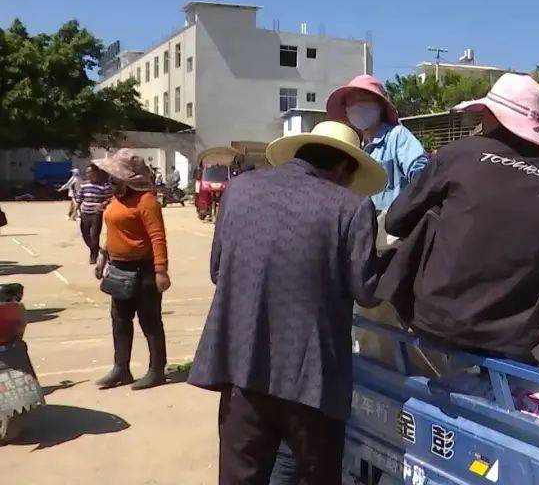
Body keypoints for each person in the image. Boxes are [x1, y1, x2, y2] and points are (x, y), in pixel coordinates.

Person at [187, 121, 387, 485]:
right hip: (313, 381)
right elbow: (367, 290)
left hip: (242, 368)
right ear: (344, 167)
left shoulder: (239, 190)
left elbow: (219, 270)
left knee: (239, 476)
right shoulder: (352, 207)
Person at [384, 73, 539, 359]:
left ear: (491, 115)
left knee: (434, 213)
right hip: (516, 336)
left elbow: (396, 221)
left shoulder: (459, 154)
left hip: (433, 318)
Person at [91, 149, 171, 390]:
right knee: (120, 319)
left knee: (150, 321)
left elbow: (158, 237)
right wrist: (102, 257)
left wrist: (161, 271)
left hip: (144, 270)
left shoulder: (147, 202)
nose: (111, 181)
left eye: (115, 177)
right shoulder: (117, 200)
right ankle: (121, 369)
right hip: (118, 268)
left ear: (130, 179)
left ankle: (156, 370)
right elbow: (114, 232)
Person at [326, 74, 429, 214]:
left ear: (379, 105)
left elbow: (422, 175)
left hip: (397, 230)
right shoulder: (356, 147)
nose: (356, 106)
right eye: (351, 102)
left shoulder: (397, 136)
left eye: (362, 100)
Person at [77, 165, 112, 264]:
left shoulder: (104, 186)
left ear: (96, 173)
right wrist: (75, 210)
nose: (88, 175)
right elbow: (79, 198)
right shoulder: (84, 185)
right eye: (87, 173)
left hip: (96, 214)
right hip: (85, 212)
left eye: (90, 172)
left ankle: (93, 255)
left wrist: (103, 204)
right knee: (85, 234)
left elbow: (110, 198)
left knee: (94, 235)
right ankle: (98, 250)